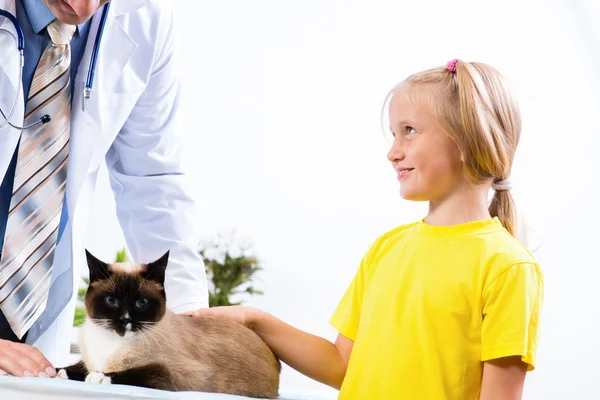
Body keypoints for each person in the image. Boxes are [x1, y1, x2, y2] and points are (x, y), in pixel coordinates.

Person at [194, 59, 544, 399]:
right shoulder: (386, 248)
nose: (393, 152)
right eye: (394, 134)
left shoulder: (508, 267)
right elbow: (342, 365)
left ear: (468, 140)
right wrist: (255, 320)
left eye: (409, 131)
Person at [0, 0, 208, 378]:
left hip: (34, 306)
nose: (82, 6)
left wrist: (190, 308)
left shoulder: (146, 21)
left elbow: (151, 178)